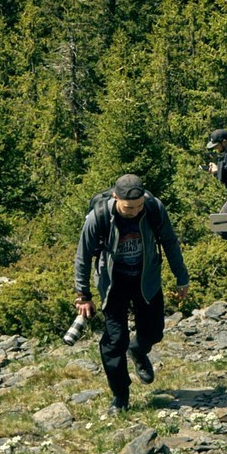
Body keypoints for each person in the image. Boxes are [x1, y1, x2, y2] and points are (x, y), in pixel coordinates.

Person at [74, 173, 193, 411]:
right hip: (113, 284)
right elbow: (83, 255)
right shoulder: (99, 216)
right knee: (114, 342)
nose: (135, 211)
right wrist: (83, 295)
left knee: (154, 332)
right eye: (129, 207)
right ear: (116, 197)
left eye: (139, 206)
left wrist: (182, 279)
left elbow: (170, 242)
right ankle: (120, 397)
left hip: (146, 279)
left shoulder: (153, 208)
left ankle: (138, 350)